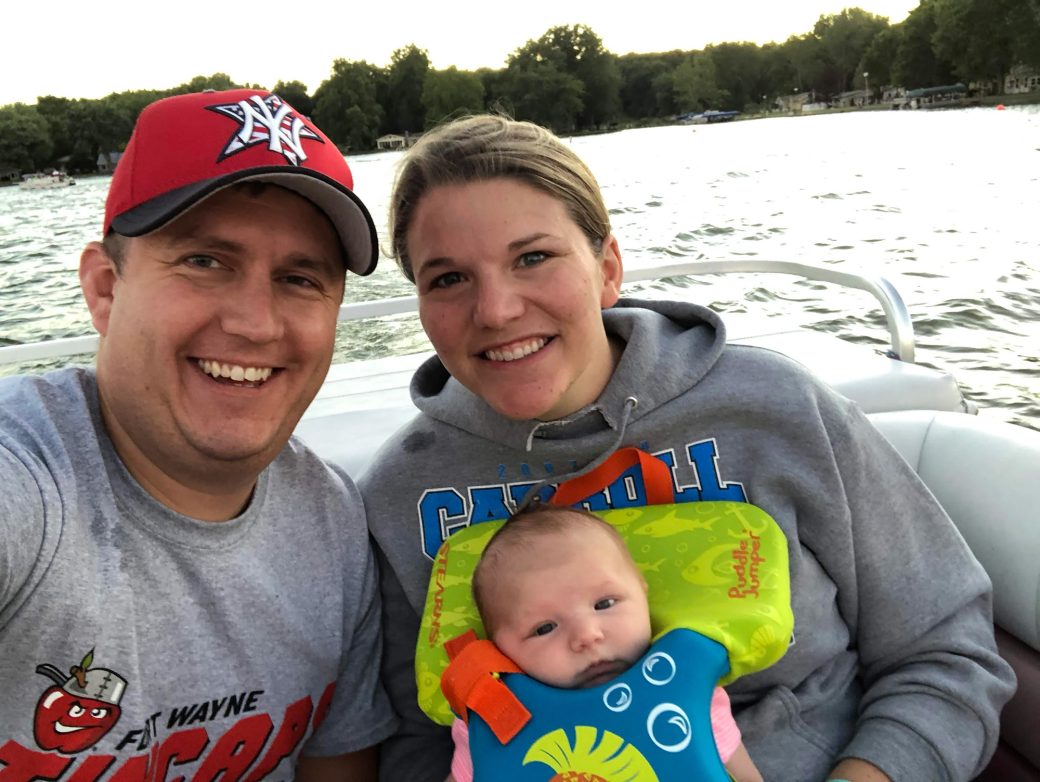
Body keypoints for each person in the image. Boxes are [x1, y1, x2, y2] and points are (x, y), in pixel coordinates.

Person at [360, 114, 1016, 782]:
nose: (496, 309)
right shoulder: (399, 492)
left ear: (607, 268)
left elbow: (945, 653)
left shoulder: (778, 410)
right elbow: (417, 740)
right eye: (448, 279)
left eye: (533, 257)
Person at [0, 89, 396, 780]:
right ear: (105, 289)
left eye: (299, 278)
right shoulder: (27, 484)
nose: (256, 323)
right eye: (205, 262)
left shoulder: (333, 522)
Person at [445, 505, 762, 782]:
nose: (586, 635)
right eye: (544, 628)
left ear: (642, 592)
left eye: (605, 603)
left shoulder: (687, 692)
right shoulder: (492, 714)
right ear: (498, 648)